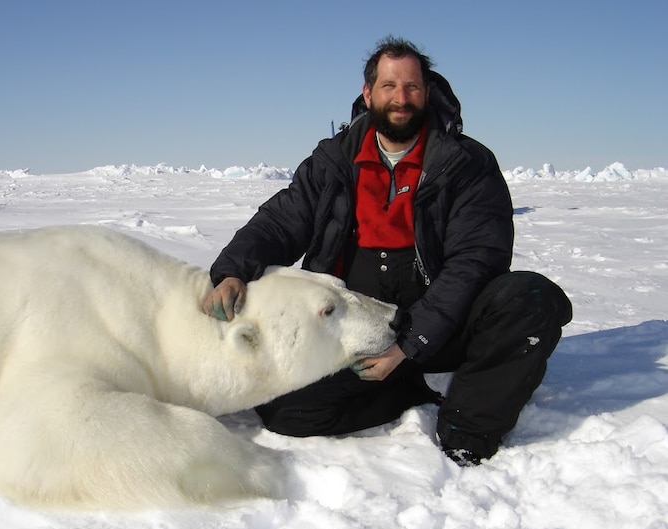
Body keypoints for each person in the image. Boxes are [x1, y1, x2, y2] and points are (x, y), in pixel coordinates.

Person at [201, 36, 573, 466]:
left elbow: (474, 264)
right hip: (360, 329)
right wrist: (232, 270)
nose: (401, 98)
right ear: (368, 93)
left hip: (445, 324)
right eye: (389, 86)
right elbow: (280, 222)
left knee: (528, 299)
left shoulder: (466, 164)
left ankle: (468, 429)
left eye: (412, 87)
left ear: (427, 91)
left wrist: (409, 346)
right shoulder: (335, 160)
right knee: (285, 410)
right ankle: (411, 387)